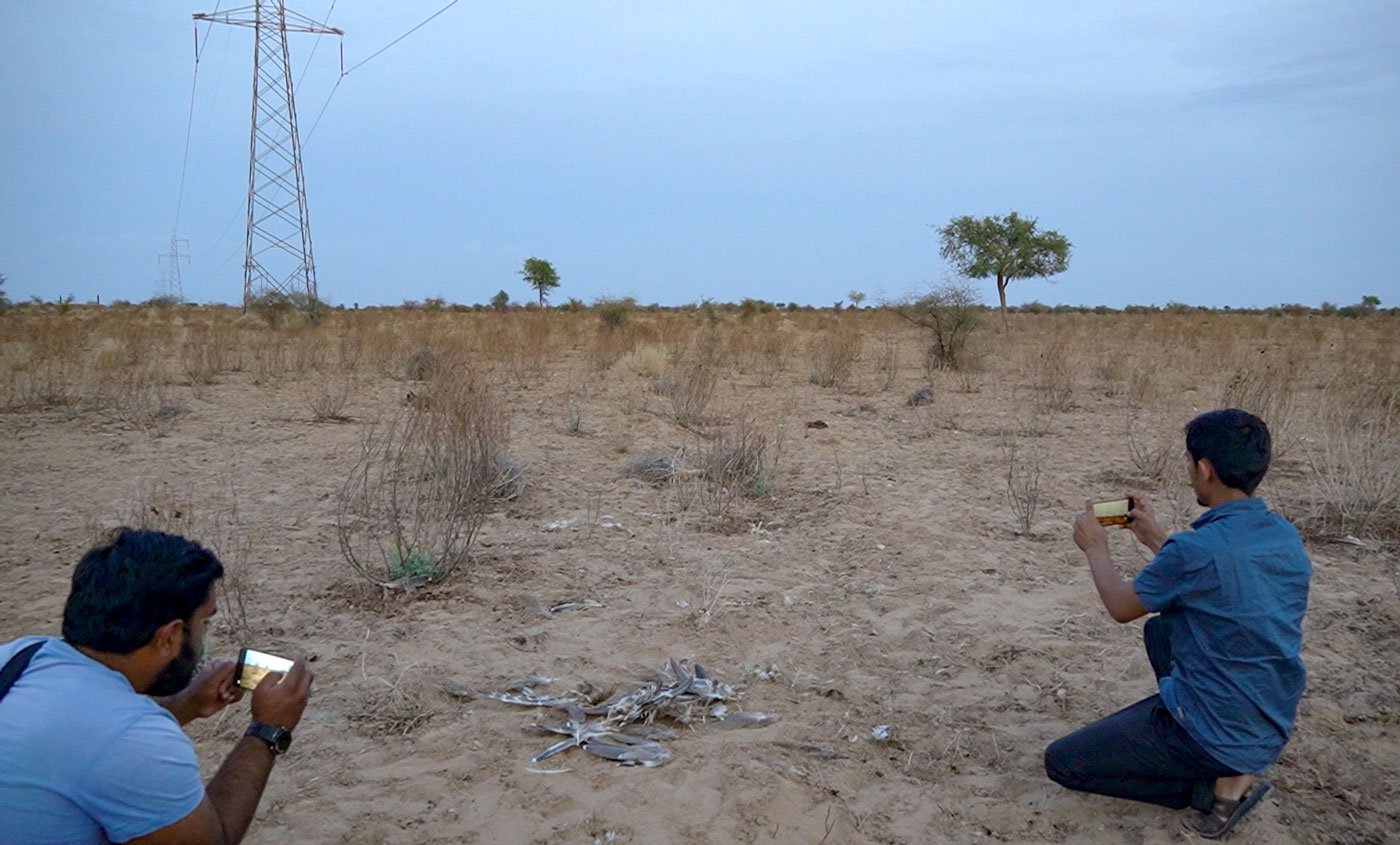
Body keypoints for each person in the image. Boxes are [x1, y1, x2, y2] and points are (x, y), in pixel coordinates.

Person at [1043, 409, 1311, 839]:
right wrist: (1152, 535)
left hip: (1217, 731)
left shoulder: (1195, 550)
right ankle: (1231, 768)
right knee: (1161, 630)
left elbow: (1121, 606)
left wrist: (1096, 548)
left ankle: (1209, 788)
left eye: (1189, 463)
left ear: (1204, 469)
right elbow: (1212, 574)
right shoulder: (1282, 535)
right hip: (1268, 720)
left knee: (1063, 762)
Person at [0, 529, 314, 845]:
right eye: (204, 623)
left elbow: (86, 733)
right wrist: (267, 729)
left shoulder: (21, 654)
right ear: (169, 636)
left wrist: (186, 704)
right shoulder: (135, 739)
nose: (203, 637)